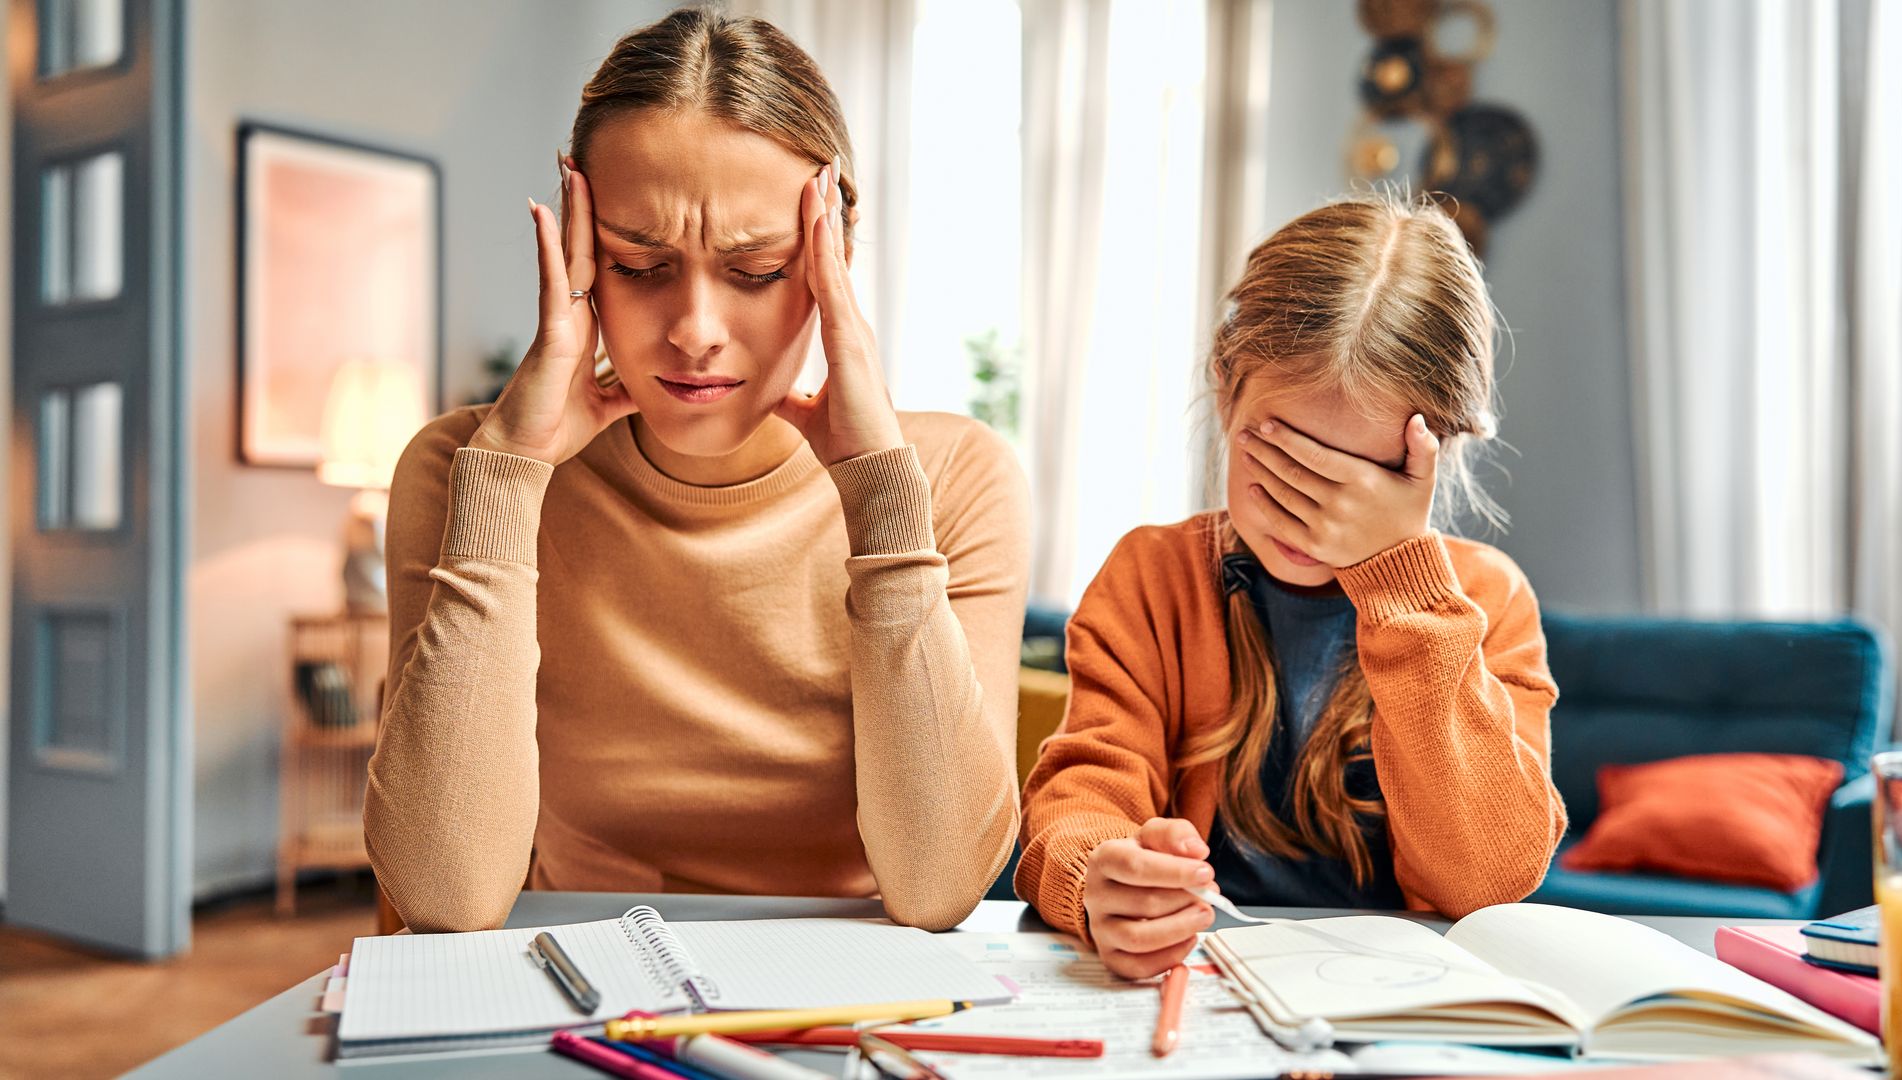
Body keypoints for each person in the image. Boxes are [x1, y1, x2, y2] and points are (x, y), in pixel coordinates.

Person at [366, 8, 1029, 934]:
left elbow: (938, 885)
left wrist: (880, 495)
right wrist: (507, 481)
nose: (695, 329)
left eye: (756, 270)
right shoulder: (462, 471)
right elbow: (444, 896)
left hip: (843, 1004)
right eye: (641, 264)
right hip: (577, 983)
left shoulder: (954, 476)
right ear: (581, 254)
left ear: (831, 261)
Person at [1016, 195, 1566, 977]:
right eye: (1279, 462)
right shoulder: (1154, 577)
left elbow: (1486, 883)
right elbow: (1081, 797)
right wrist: (1101, 875)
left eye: (1362, 479)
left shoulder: (1485, 601)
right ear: (1225, 389)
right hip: (1199, 983)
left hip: (1406, 1000)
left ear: (1434, 450)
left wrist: (1400, 586)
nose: (1312, 519)